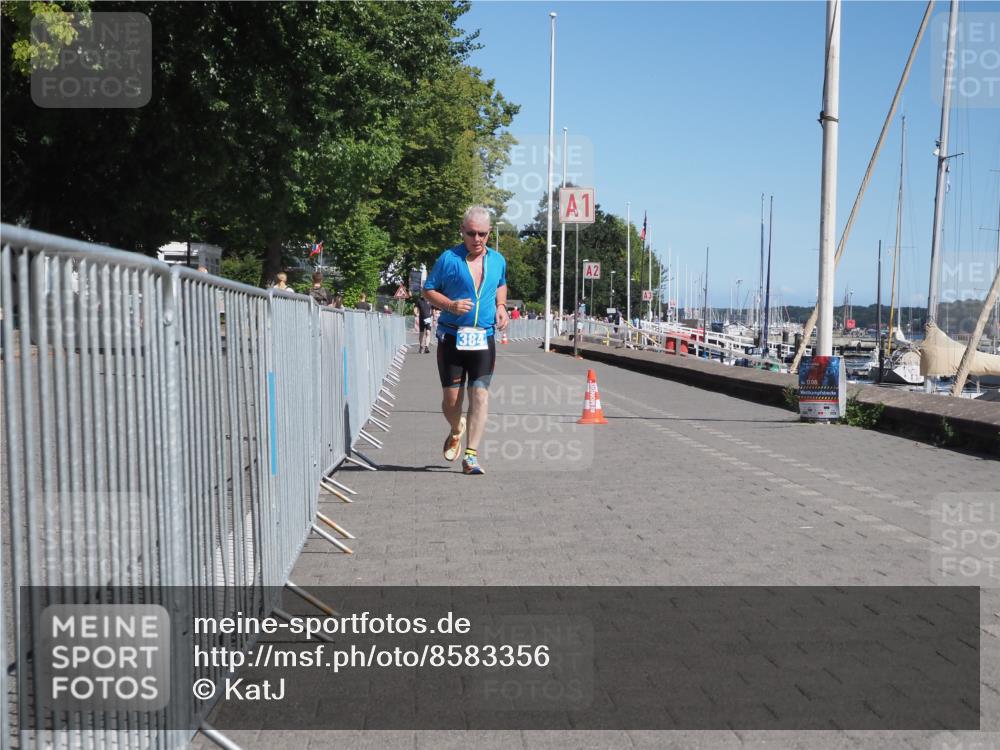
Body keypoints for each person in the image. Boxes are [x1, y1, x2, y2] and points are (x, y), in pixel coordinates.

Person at [423, 205, 509, 475]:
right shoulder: (448, 259)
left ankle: (471, 455)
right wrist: (449, 305)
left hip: (484, 338)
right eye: (471, 233)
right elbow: (428, 290)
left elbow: (501, 283)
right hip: (452, 338)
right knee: (452, 402)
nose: (477, 239)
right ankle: (456, 427)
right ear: (462, 231)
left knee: (480, 395)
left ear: (489, 233)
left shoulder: (497, 260)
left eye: (482, 233)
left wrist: (502, 306)